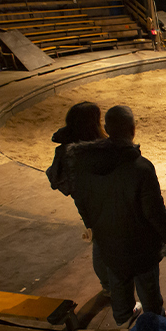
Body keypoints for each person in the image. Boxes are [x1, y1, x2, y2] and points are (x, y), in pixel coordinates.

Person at [69, 105, 166, 325]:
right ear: (133, 129)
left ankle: (123, 319)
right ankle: (155, 321)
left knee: (117, 281)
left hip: (108, 240)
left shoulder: (83, 162)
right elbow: (153, 210)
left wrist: (94, 225)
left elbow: (80, 199)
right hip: (141, 244)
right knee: (147, 285)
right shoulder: (141, 168)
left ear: (107, 128)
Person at [46, 101, 109, 294]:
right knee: (106, 242)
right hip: (103, 201)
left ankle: (107, 285)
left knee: (99, 239)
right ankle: (112, 284)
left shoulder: (64, 149)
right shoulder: (96, 149)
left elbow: (55, 178)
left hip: (84, 204)